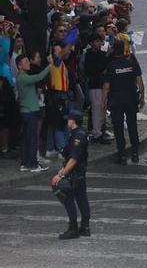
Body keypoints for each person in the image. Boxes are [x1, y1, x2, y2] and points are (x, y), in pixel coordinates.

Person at [101, 42, 145, 165]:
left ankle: (122, 155)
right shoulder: (132, 63)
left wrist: (103, 102)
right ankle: (135, 153)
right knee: (132, 126)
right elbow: (139, 81)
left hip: (116, 101)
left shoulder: (111, 66)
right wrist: (142, 97)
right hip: (131, 99)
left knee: (118, 128)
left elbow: (106, 86)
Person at [52, 111, 91, 240]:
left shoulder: (77, 136)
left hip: (75, 174)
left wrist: (61, 174)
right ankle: (85, 227)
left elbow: (73, 159)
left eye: (69, 119)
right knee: (81, 198)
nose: (67, 121)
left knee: (66, 196)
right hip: (79, 173)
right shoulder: (78, 133)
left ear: (73, 121)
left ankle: (73, 228)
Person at [15, 53, 52, 172]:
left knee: (26, 138)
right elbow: (39, 77)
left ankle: (25, 163)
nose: (28, 63)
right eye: (25, 62)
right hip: (30, 111)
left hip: (26, 110)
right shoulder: (23, 77)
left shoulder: (22, 77)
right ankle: (33, 164)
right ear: (19, 66)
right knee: (32, 138)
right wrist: (50, 66)